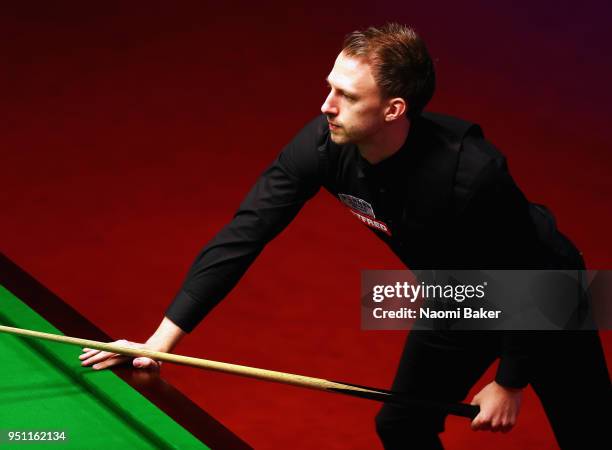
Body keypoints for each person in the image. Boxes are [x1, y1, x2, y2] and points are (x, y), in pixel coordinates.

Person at [80, 23, 610, 449]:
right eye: (329, 86)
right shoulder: (322, 145)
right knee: (401, 426)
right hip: (458, 294)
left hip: (551, 295)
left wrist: (511, 380)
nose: (325, 105)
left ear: (393, 109)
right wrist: (161, 342)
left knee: (591, 435)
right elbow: (245, 233)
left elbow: (530, 274)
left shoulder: (472, 173)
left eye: (346, 95)